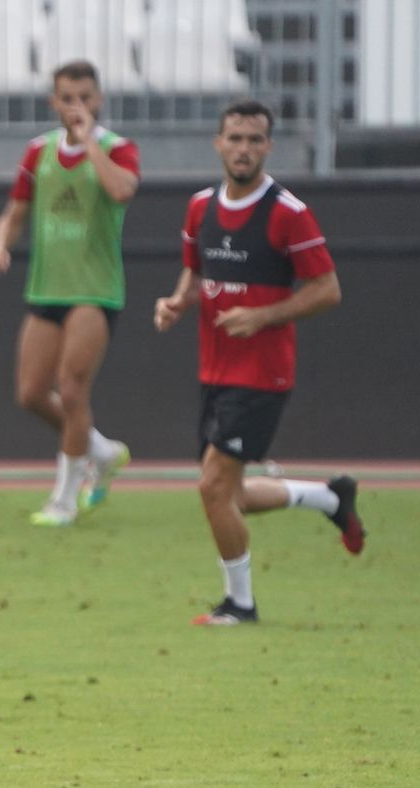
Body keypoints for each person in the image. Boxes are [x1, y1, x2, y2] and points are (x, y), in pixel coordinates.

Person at [153, 100, 362, 626]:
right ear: (218, 143)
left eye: (254, 140)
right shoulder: (200, 207)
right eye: (235, 138)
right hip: (214, 369)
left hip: (262, 374)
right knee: (233, 494)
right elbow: (196, 273)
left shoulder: (287, 213)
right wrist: (178, 301)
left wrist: (265, 315)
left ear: (268, 146)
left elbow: (328, 289)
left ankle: (239, 604)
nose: (243, 148)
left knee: (212, 489)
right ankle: (328, 499)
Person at [0, 59, 138, 527]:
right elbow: (15, 212)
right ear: (54, 101)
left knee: (72, 389)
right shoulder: (38, 152)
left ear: (99, 99)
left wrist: (89, 141)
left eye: (86, 97)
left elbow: (122, 190)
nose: (77, 106)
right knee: (30, 393)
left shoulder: (117, 148)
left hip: (94, 290)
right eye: (68, 98)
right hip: (47, 287)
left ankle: (65, 499)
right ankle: (102, 451)